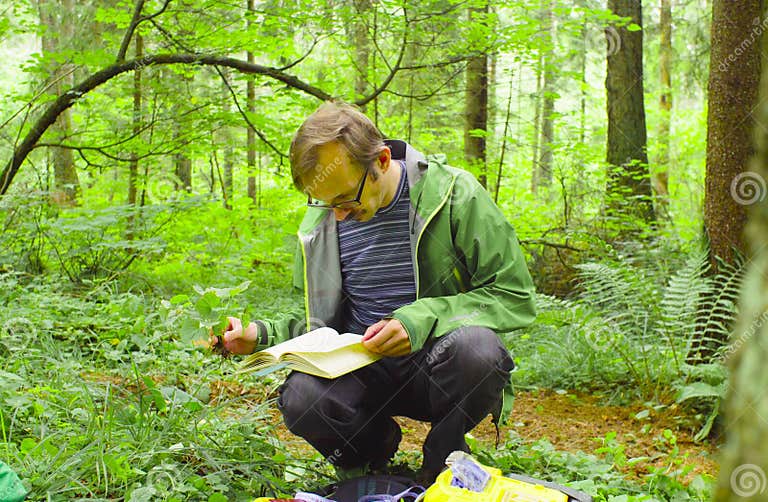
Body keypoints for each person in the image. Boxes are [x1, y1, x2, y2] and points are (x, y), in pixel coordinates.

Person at [216, 101, 536, 483]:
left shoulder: (455, 195)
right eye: (324, 202)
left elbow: (514, 295)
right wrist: (261, 335)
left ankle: (441, 461)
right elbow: (323, 325)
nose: (337, 215)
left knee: (479, 352)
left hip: (434, 365)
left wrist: (418, 320)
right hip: (359, 368)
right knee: (302, 397)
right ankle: (371, 459)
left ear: (382, 160)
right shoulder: (324, 220)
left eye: (346, 199)